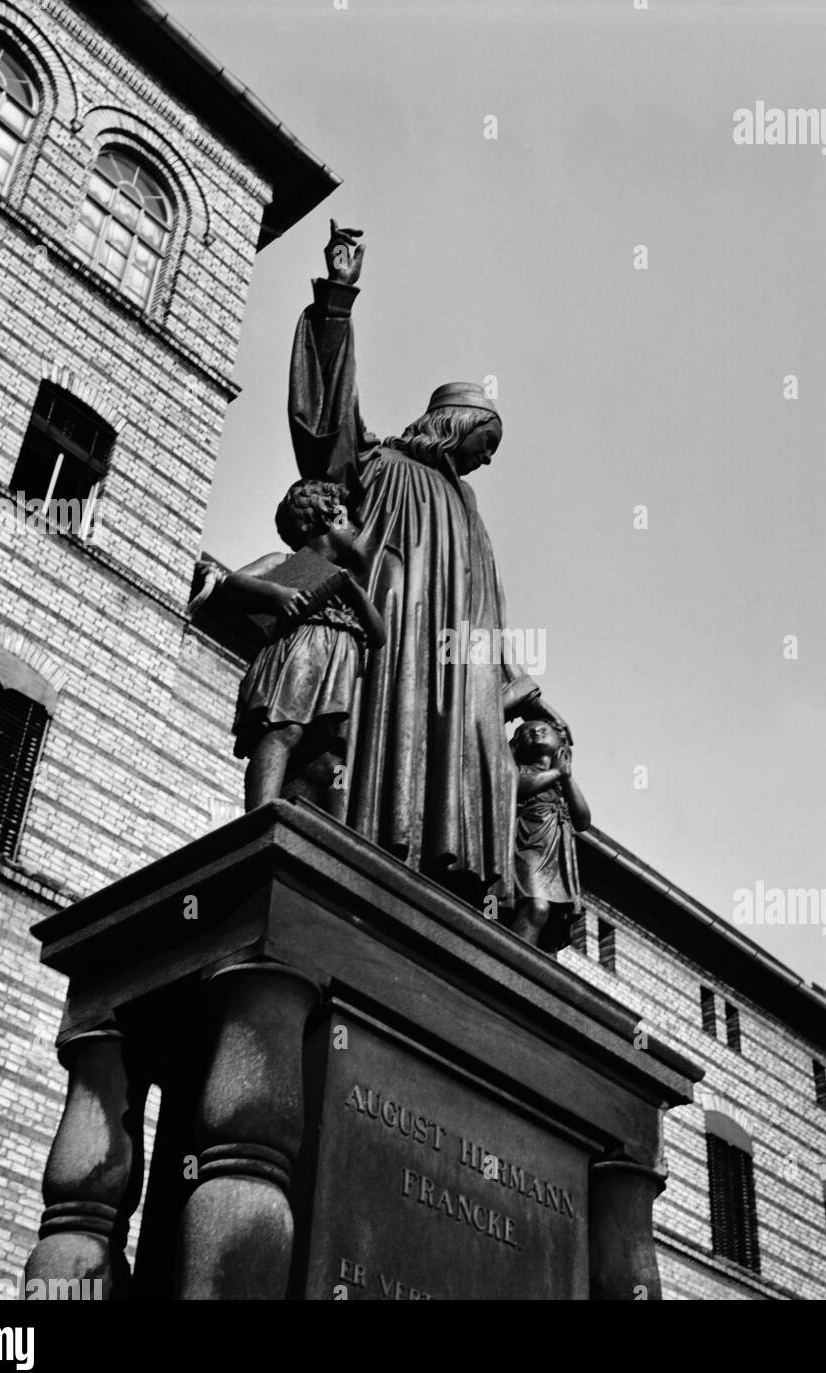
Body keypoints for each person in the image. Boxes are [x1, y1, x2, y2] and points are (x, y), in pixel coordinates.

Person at [288, 220, 569, 906]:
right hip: (393, 634)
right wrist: (338, 301)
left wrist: (513, 681)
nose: (489, 457)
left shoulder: (467, 506)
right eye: (485, 439)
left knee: (461, 766)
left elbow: (487, 609)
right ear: (454, 425)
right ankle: (365, 843)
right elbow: (323, 422)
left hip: (463, 667)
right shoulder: (378, 461)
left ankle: (444, 868)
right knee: (382, 738)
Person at [224, 478, 384, 814]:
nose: (356, 530)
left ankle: (329, 826)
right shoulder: (284, 561)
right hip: (301, 651)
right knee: (285, 730)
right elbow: (234, 582)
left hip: (338, 664)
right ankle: (260, 814)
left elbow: (379, 634)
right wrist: (278, 594)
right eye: (349, 521)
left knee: (332, 758)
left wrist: (354, 592)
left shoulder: (348, 583)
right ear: (333, 520)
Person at [507, 720, 591, 954]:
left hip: (555, 858)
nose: (535, 731)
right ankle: (511, 964)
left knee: (549, 917)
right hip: (526, 847)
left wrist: (565, 777)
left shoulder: (563, 783)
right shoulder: (519, 770)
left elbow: (583, 820)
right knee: (536, 906)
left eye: (544, 730)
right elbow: (518, 785)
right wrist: (557, 772)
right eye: (527, 732)